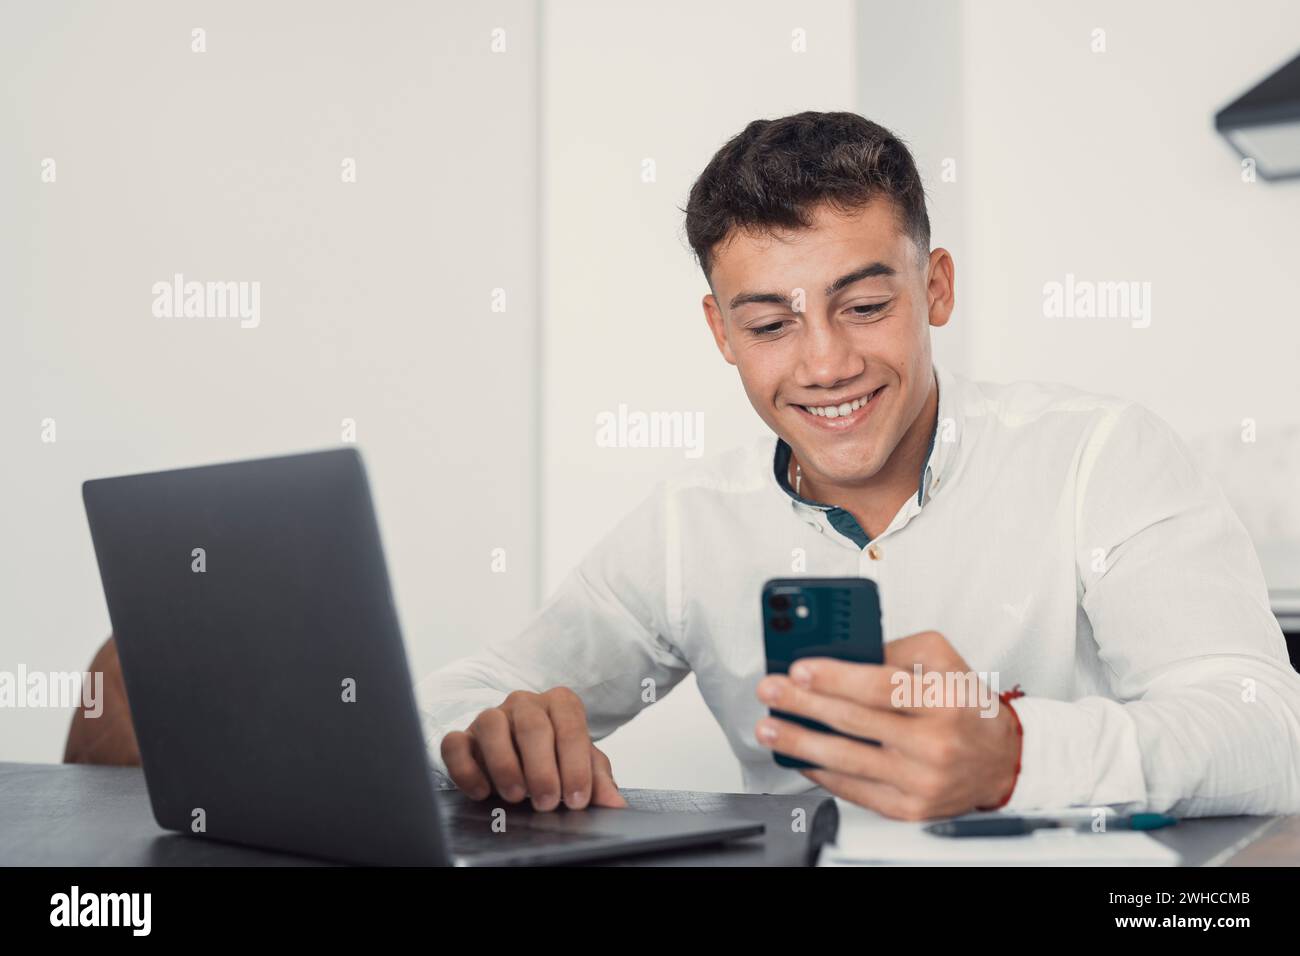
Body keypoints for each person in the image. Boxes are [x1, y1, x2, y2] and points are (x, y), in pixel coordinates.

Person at [417, 110, 1300, 821]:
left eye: (866, 305)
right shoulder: (689, 524)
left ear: (937, 287)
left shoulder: (1101, 456)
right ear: (721, 333)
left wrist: (1018, 754)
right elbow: (456, 698)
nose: (826, 363)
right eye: (769, 325)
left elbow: (1268, 733)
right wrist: (487, 733)